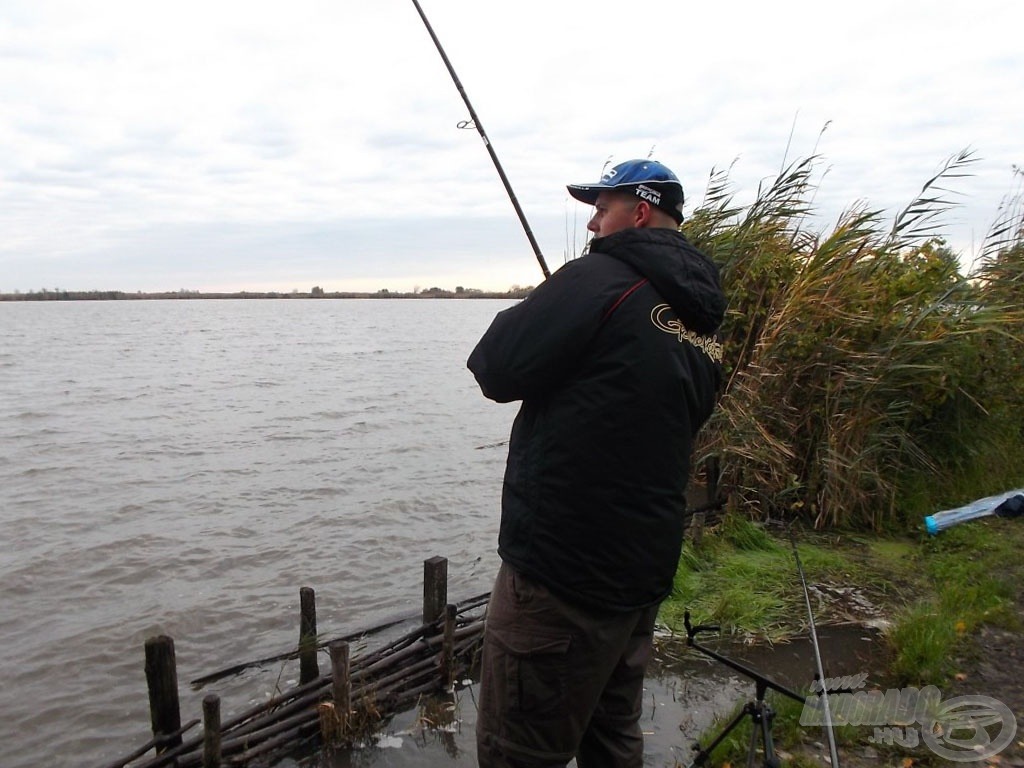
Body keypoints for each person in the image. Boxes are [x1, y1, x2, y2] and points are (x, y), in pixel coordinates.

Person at [467, 159, 727, 768]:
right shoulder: (701, 316)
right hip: (641, 575)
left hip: (562, 576)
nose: (591, 223)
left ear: (638, 212)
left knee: (517, 749)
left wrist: (561, 295)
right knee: (613, 739)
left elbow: (494, 365)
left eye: (601, 209)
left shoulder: (599, 278)